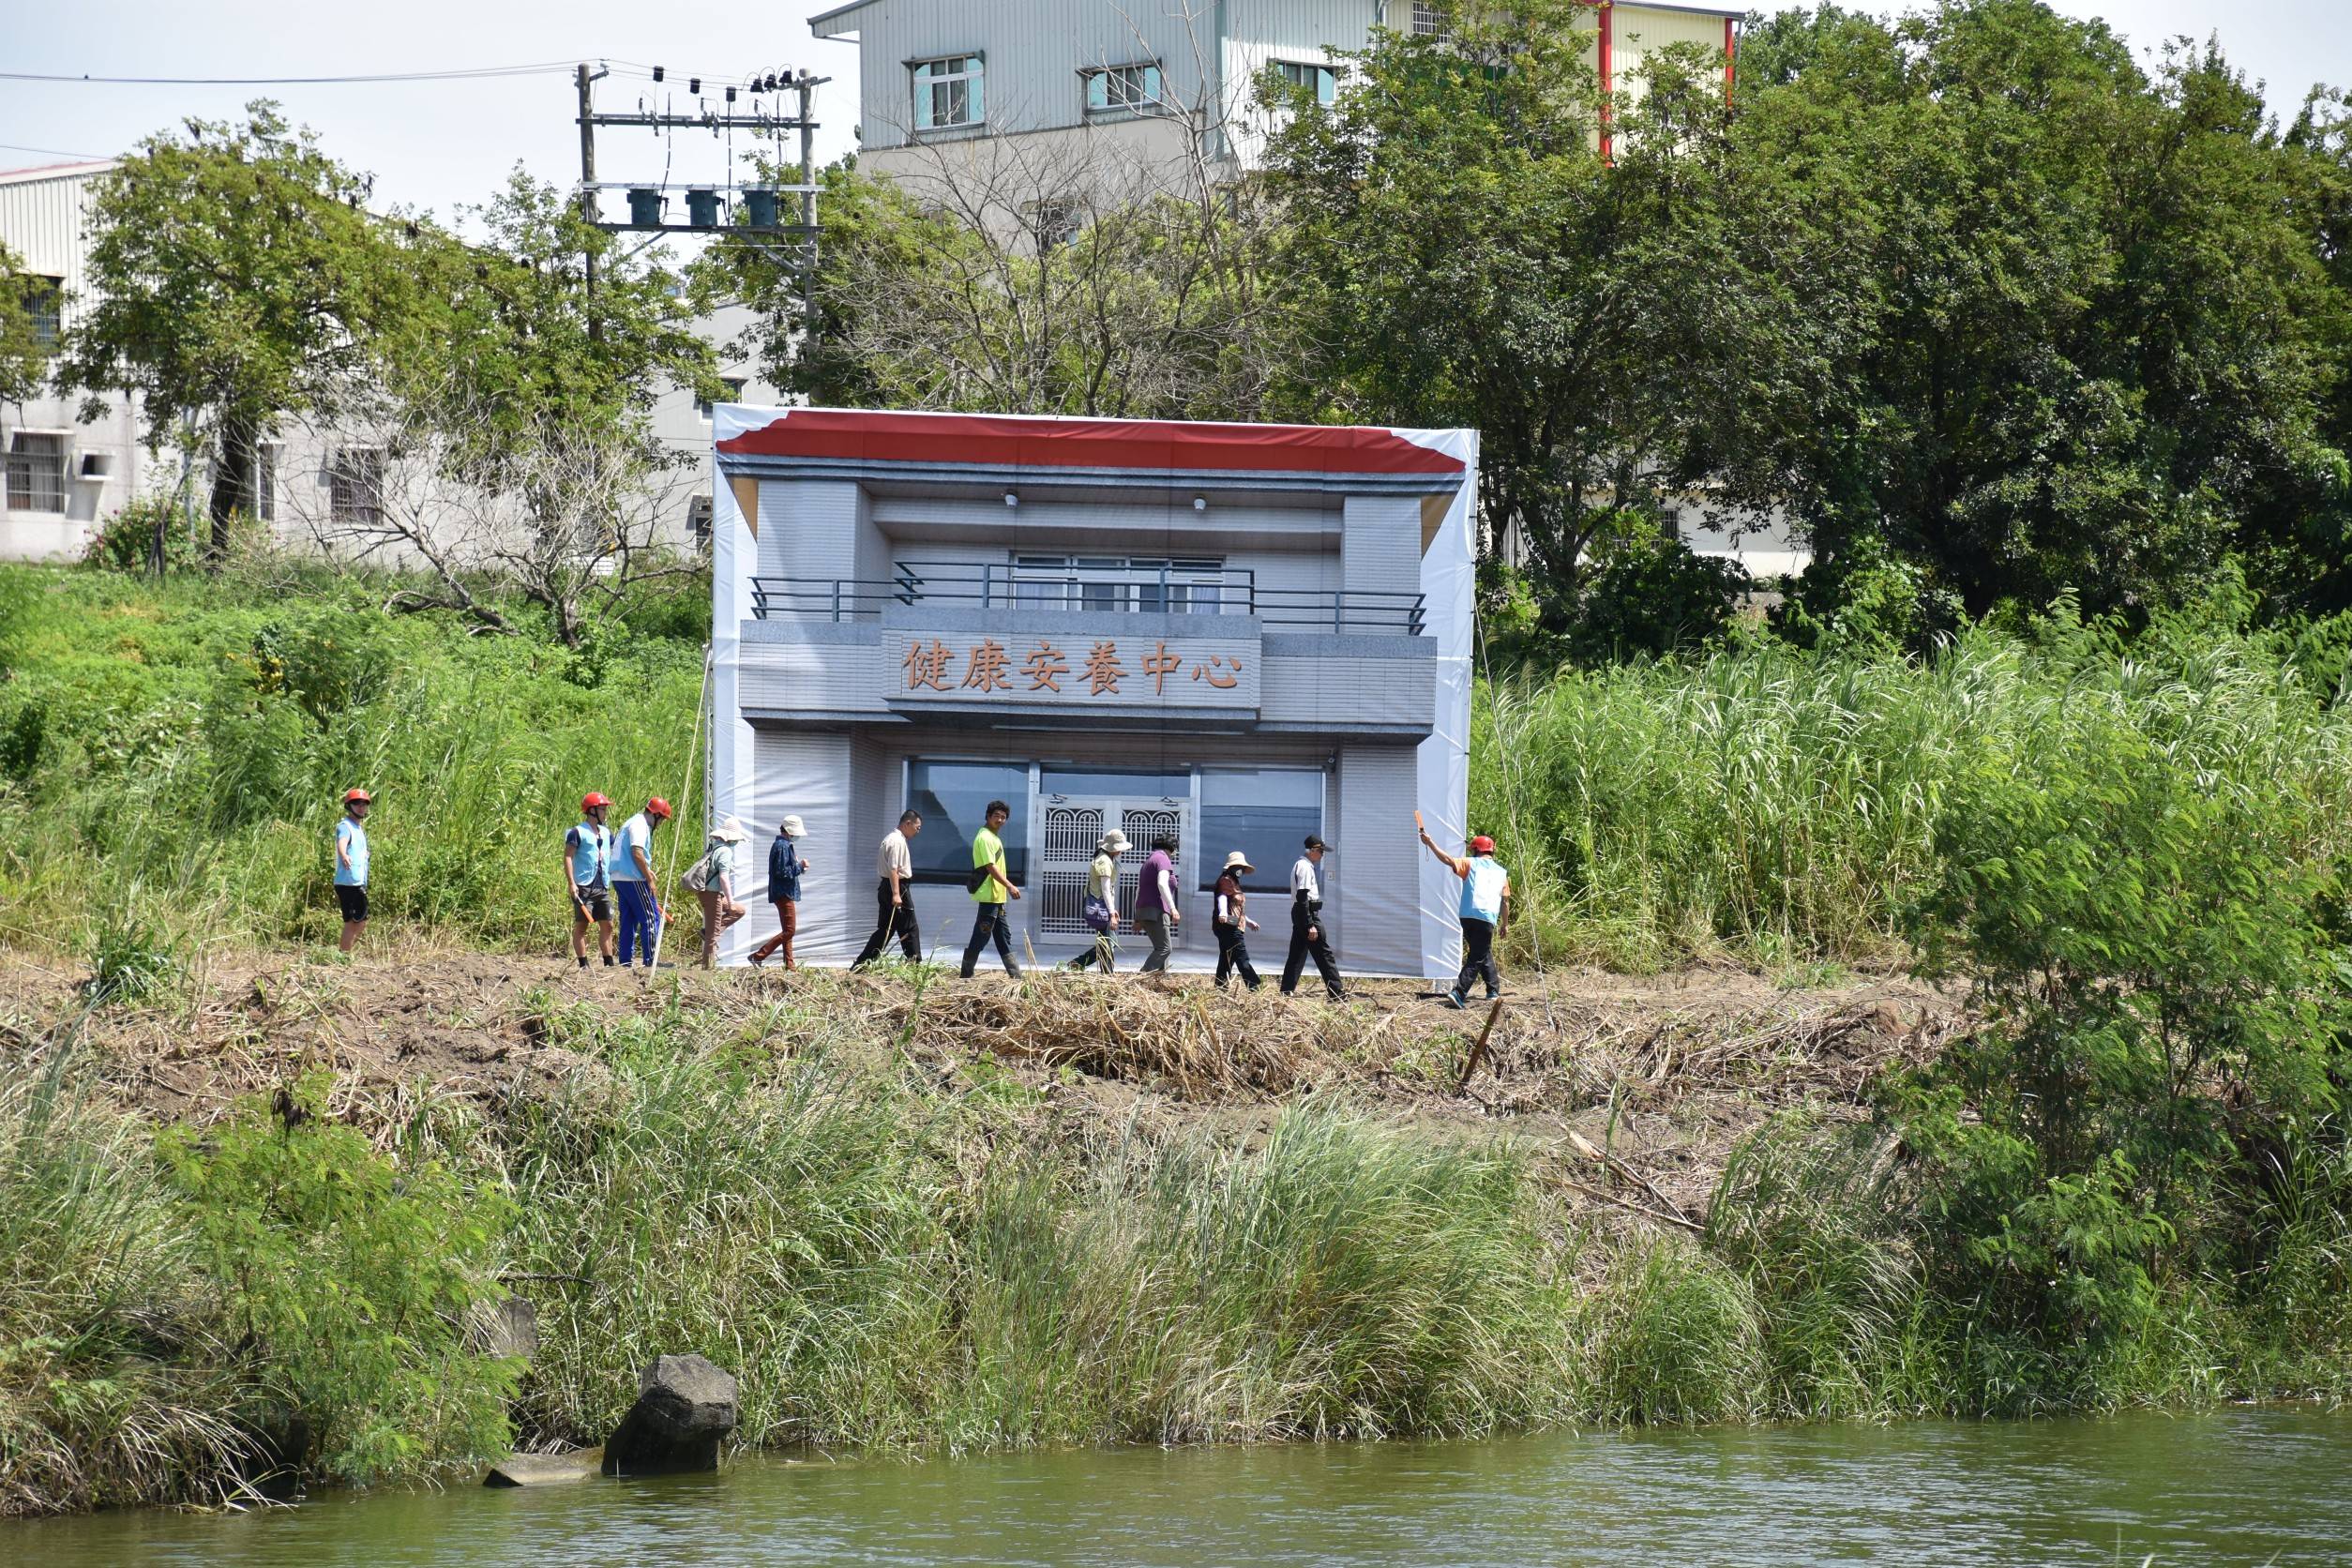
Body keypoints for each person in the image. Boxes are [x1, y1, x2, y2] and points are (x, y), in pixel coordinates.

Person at [1420, 817, 1512, 1007]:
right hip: (1487, 918)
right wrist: (1505, 924)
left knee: (1481, 951)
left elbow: (1446, 859)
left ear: (1476, 850)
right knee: (1477, 955)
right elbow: (1505, 902)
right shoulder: (1502, 873)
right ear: (1491, 851)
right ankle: (1459, 993)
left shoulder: (1470, 864)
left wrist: (1430, 843)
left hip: (1466, 917)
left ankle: (1493, 989)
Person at [959, 799, 1024, 978]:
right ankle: (965, 975)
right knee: (981, 936)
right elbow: (990, 867)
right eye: (997, 816)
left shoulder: (993, 837)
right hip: (989, 896)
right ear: (988, 816)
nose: (1000, 820)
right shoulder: (985, 837)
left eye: (1004, 817)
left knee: (1003, 937)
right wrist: (1010, 886)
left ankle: (1016, 977)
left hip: (997, 897)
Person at [852, 810, 924, 968]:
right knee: (910, 927)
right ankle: (915, 964)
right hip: (897, 887)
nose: (918, 831)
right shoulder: (896, 841)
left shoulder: (891, 838)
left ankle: (862, 964)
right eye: (917, 827)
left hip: (887, 886)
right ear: (908, 824)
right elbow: (893, 869)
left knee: (886, 929)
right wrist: (897, 894)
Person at [1279, 834, 1347, 1001]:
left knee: (1296, 955)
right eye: (1321, 852)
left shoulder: (1302, 865)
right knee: (1324, 954)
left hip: (1301, 912)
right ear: (1313, 850)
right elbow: (1303, 896)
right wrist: (1310, 923)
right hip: (1306, 913)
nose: (1322, 855)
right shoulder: (1304, 866)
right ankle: (1337, 994)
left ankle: (1286, 992)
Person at [610, 795, 673, 969]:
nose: (661, 825)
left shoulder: (632, 822)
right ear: (656, 815)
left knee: (629, 919)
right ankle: (651, 961)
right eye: (662, 820)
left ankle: (625, 961)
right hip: (633, 878)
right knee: (651, 918)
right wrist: (649, 877)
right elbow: (637, 852)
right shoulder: (640, 825)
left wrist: (647, 869)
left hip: (619, 876)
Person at [565, 792, 616, 970]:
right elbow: (568, 857)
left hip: (602, 886)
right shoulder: (577, 832)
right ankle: (583, 964)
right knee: (582, 925)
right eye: (603, 809)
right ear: (592, 811)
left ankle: (609, 962)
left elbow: (614, 854)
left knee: (608, 924)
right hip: (583, 886)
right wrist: (572, 883)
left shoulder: (607, 833)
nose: (605, 813)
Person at [749, 815, 808, 969]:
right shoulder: (783, 846)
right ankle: (758, 956)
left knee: (787, 931)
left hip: (782, 892)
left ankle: (790, 966)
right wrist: (799, 866)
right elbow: (782, 872)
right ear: (790, 832)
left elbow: (783, 870)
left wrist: (797, 866)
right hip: (784, 893)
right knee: (790, 930)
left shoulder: (782, 845)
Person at [691, 816, 749, 969]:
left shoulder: (715, 847)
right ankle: (708, 968)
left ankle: (709, 932)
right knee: (713, 935)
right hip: (713, 894)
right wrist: (730, 901)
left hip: (706, 892)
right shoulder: (725, 852)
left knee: (740, 910)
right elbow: (723, 877)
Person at [1068, 829, 1129, 972]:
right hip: (1101, 907)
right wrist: (1112, 912)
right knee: (1107, 943)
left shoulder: (1105, 858)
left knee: (1108, 942)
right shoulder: (1105, 861)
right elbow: (1105, 889)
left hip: (1102, 906)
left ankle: (1079, 963)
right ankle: (1106, 974)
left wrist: (1112, 910)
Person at [1211, 850, 1262, 990]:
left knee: (1227, 959)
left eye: (1242, 868)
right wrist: (1222, 912)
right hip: (1228, 926)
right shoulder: (1225, 881)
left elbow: (1237, 909)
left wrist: (1249, 921)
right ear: (1232, 867)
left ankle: (1220, 988)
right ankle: (1255, 988)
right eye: (1239, 867)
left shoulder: (1234, 883)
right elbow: (1222, 898)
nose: (1241, 870)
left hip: (1234, 924)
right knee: (1242, 957)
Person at [1133, 834, 1183, 975]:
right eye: (1175, 849)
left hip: (1146, 910)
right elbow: (1162, 883)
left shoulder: (1149, 860)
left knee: (1160, 948)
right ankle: (1141, 977)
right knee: (1165, 949)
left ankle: (1159, 982)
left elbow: (1138, 890)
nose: (1175, 853)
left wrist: (1137, 917)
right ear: (1171, 848)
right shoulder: (1162, 858)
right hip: (1157, 911)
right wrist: (1173, 908)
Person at [334, 787, 371, 954]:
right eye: (357, 803)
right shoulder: (345, 826)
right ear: (349, 806)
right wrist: (343, 855)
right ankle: (344, 956)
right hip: (348, 883)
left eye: (364, 804)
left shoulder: (358, 828)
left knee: (360, 921)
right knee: (352, 922)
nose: (361, 806)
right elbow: (342, 842)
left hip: (357, 882)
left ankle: (345, 952)